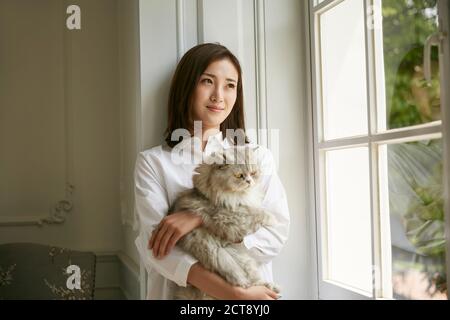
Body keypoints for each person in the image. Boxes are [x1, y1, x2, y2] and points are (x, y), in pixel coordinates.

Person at [133, 43, 290, 300]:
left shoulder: (258, 158)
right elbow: (159, 248)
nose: (219, 95)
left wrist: (200, 217)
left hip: (254, 292)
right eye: (207, 81)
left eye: (230, 85)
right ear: (186, 86)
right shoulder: (154, 163)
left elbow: (275, 231)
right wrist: (234, 294)